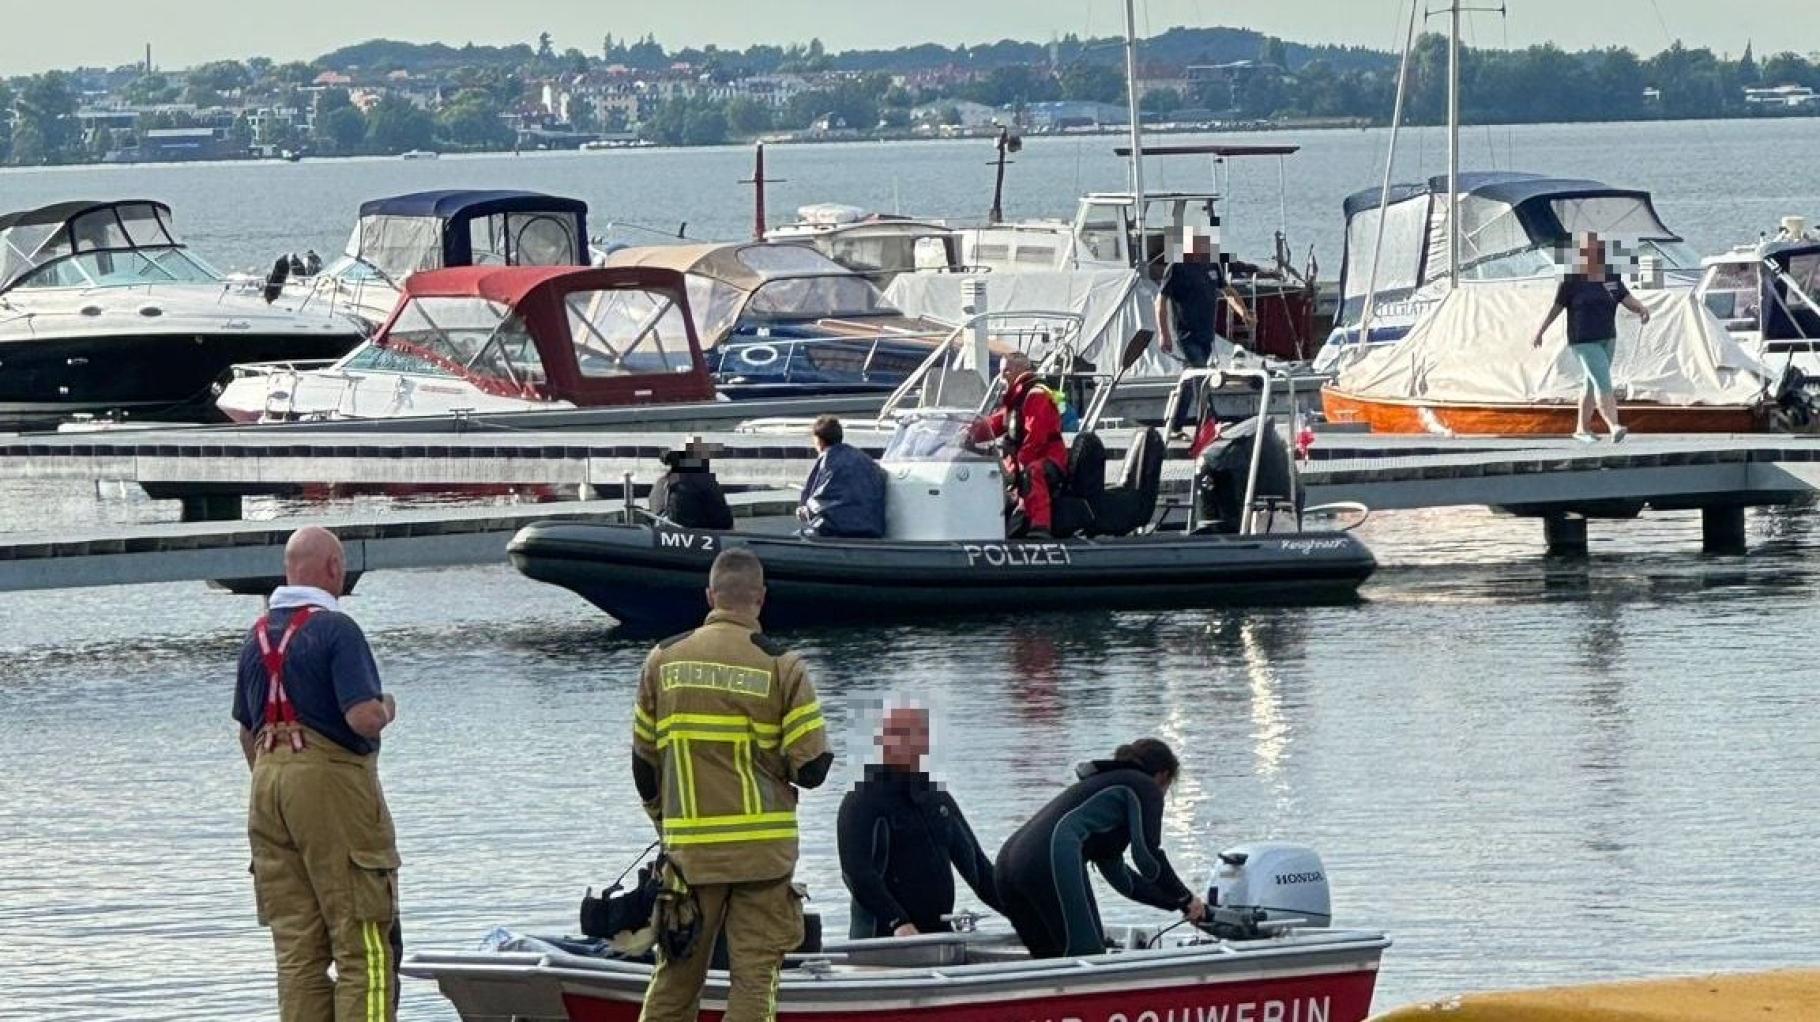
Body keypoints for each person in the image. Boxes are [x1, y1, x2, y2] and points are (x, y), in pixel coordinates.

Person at [633, 548, 834, 1022]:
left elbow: (643, 766)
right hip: (762, 857)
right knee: (754, 980)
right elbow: (813, 769)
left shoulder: (662, 661)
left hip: (690, 856)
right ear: (760, 598)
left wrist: (666, 823)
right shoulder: (783, 666)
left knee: (675, 979)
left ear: (710, 596)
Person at [235, 526, 401, 1022]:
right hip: (329, 788)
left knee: (298, 952)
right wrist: (387, 707)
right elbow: (361, 717)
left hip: (267, 786)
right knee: (363, 945)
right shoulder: (336, 629)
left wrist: (276, 770)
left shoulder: (256, 636)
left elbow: (247, 730)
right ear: (333, 568)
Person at [993, 738, 1206, 959]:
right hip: (1048, 859)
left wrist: (1177, 904)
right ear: (1163, 775)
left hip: (1006, 868)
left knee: (1051, 962)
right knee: (1087, 956)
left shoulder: (1104, 796)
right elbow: (1148, 859)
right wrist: (1186, 898)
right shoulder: (1145, 786)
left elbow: (1124, 881)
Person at [837, 705, 1000, 938]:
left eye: (915, 734)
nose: (907, 743)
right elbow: (856, 873)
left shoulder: (938, 800)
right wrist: (898, 922)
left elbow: (979, 870)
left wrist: (1023, 915)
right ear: (881, 741)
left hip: (938, 936)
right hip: (881, 940)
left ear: (925, 742)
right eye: (898, 734)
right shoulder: (861, 802)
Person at [1532, 232, 1653, 444]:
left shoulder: (1611, 276)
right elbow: (1556, 308)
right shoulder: (1571, 280)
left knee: (1591, 382)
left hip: (1607, 337)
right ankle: (1614, 426)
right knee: (1603, 382)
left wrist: (1641, 308)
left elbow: (1625, 297)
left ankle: (1582, 429)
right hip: (1583, 340)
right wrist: (1541, 331)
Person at [968, 351, 1068, 536]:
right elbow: (996, 423)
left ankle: (1040, 527)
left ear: (1020, 370)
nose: (1002, 376)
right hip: (1025, 456)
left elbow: (1036, 434)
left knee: (1033, 472)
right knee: (999, 475)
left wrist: (1019, 464)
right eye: (1001, 371)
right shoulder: (1016, 399)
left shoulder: (1036, 394)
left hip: (1048, 458)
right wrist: (969, 433)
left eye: (1006, 371)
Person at [1157, 226, 1257, 369]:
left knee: (1196, 377)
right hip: (1186, 335)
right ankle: (1190, 389)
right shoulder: (1176, 268)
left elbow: (1228, 292)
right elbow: (1160, 302)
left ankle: (1182, 391)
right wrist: (1164, 333)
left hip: (1206, 334)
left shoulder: (1212, 264)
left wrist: (1244, 314)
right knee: (1200, 370)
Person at [798, 415, 887, 539]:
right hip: (872, 529)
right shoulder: (864, 458)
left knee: (802, 534)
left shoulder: (827, 459)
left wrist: (804, 511)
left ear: (819, 441)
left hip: (838, 529)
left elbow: (814, 498)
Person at [649, 437, 735, 530]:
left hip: (686, 533)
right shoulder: (708, 481)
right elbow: (725, 522)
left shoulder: (672, 484)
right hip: (712, 533)